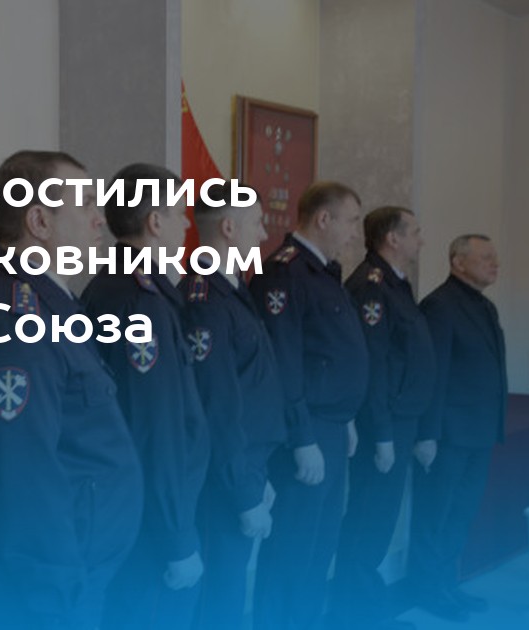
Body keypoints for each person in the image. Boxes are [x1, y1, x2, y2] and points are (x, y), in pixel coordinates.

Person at [0, 150, 142, 629]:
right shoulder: (15, 321)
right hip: (41, 593)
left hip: (73, 574)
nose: (100, 219)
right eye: (86, 204)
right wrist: (56, 594)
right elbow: (22, 469)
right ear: (40, 221)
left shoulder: (54, 306)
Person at [78, 163, 208, 630]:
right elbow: (154, 428)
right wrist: (175, 536)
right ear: (155, 221)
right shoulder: (140, 302)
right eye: (180, 213)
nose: (187, 224)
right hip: (149, 520)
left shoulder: (120, 287)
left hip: (136, 508)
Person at [250, 181, 369, 630]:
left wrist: (347, 417)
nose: (355, 233)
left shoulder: (324, 272)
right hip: (307, 429)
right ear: (324, 219)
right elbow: (284, 361)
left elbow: (330, 355)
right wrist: (302, 437)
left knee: (321, 545)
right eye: (351, 221)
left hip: (331, 426)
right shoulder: (286, 273)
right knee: (293, 547)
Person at [181, 183, 285, 630]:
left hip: (246, 467)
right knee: (217, 599)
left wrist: (256, 476)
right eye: (257, 223)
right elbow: (216, 406)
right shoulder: (204, 300)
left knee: (230, 589)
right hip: (222, 480)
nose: (263, 234)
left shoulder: (232, 289)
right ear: (228, 227)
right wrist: (243, 489)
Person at [328, 207, 436, 630]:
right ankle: (354, 615)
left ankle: (364, 609)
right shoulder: (371, 286)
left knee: (379, 522)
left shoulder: (396, 283)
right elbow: (373, 365)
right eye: (415, 232)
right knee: (368, 520)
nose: (421, 240)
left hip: (401, 419)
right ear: (393, 238)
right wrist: (383, 433)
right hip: (382, 424)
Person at [408, 234, 505, 622]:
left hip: (478, 432)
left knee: (460, 515)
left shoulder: (485, 306)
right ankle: (427, 590)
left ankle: (447, 584)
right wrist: (427, 433)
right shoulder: (440, 306)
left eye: (494, 257)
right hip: (448, 434)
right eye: (485, 257)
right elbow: (434, 373)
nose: (494, 263)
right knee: (435, 516)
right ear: (458, 262)